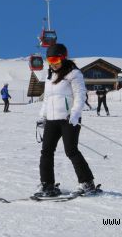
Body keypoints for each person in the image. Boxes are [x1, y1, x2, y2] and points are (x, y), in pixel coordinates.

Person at [34, 43, 96, 197]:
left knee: (71, 150)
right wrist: (42, 116)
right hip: (52, 119)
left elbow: (80, 95)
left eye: (56, 61)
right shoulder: (50, 76)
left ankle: (87, 183)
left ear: (63, 58)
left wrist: (75, 113)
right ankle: (47, 185)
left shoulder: (74, 73)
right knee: (46, 151)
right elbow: (47, 99)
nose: (53, 65)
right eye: (50, 61)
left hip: (69, 119)